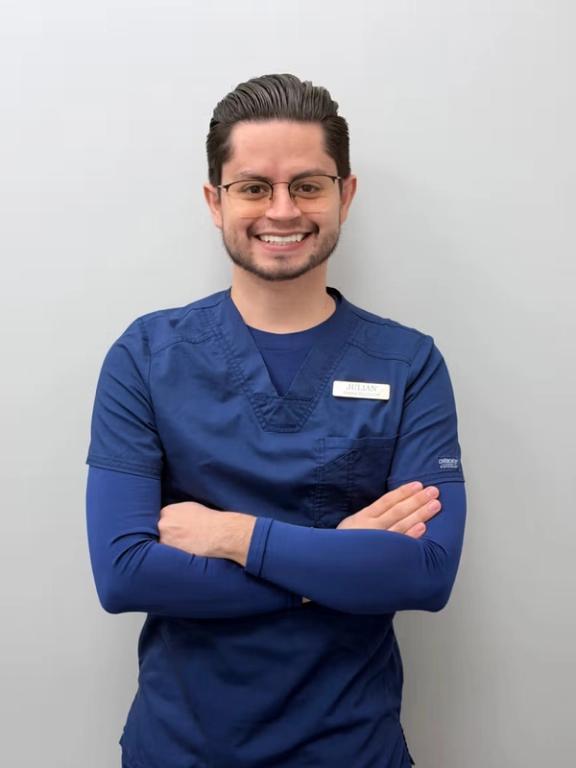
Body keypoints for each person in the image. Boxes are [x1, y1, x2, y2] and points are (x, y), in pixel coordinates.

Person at [85, 73, 466, 768]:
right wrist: (334, 560)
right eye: (255, 187)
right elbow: (124, 575)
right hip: (182, 748)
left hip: (351, 747)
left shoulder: (409, 363)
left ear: (345, 196)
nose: (283, 210)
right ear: (215, 201)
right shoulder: (145, 356)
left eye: (309, 185)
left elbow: (425, 575)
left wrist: (233, 535)